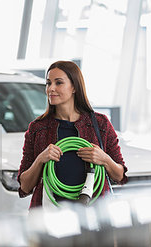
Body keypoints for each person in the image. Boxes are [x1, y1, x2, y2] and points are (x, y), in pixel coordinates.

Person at [17, 60, 127, 209]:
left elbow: (120, 176)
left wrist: (104, 159)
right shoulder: (37, 128)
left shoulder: (100, 124)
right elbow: (24, 187)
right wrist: (40, 160)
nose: (51, 89)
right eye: (48, 83)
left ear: (74, 87)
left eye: (58, 83)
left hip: (94, 213)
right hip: (51, 214)